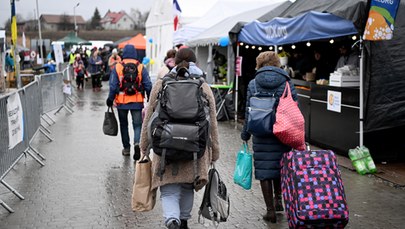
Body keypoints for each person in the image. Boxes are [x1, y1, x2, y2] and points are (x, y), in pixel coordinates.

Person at [139, 48, 220, 229]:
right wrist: (214, 150)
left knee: (168, 189)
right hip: (194, 147)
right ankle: (183, 221)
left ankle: (172, 220)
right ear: (195, 63)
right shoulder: (202, 85)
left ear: (174, 62)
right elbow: (212, 121)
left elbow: (149, 117)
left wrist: (143, 145)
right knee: (187, 186)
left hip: (165, 145)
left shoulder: (161, 84)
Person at [240, 51, 298, 223]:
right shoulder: (287, 82)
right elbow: (295, 107)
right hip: (283, 132)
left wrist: (245, 133)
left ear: (259, 64)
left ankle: (270, 210)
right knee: (280, 167)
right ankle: (278, 199)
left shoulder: (253, 83)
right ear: (277, 63)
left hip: (260, 132)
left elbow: (248, 111)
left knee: (265, 172)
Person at [106, 44, 152, 159]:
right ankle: (137, 143)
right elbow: (148, 84)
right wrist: (149, 97)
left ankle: (126, 149)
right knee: (137, 125)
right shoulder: (140, 67)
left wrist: (110, 99)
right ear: (135, 53)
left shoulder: (118, 67)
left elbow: (113, 85)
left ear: (124, 53)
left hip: (122, 103)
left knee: (124, 125)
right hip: (137, 102)